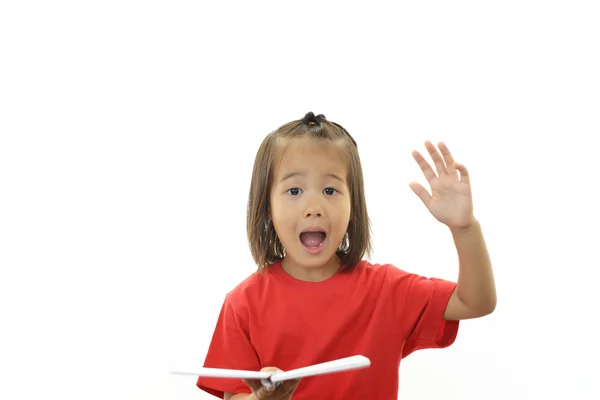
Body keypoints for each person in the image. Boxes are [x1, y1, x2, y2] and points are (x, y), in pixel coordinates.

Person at [196, 112, 497, 400]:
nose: (313, 207)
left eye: (329, 190)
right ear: (267, 205)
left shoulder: (387, 290)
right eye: (294, 191)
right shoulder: (243, 303)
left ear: (354, 204)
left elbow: (476, 302)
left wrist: (465, 228)